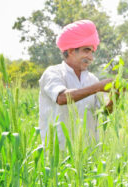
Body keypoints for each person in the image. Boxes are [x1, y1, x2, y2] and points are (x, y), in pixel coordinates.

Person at [39, 19, 114, 148]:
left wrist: (115, 96)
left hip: (88, 154)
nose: (91, 57)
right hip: (58, 153)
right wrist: (98, 87)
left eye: (92, 52)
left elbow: (104, 112)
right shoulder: (53, 73)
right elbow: (61, 98)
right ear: (71, 50)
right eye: (86, 50)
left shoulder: (92, 79)